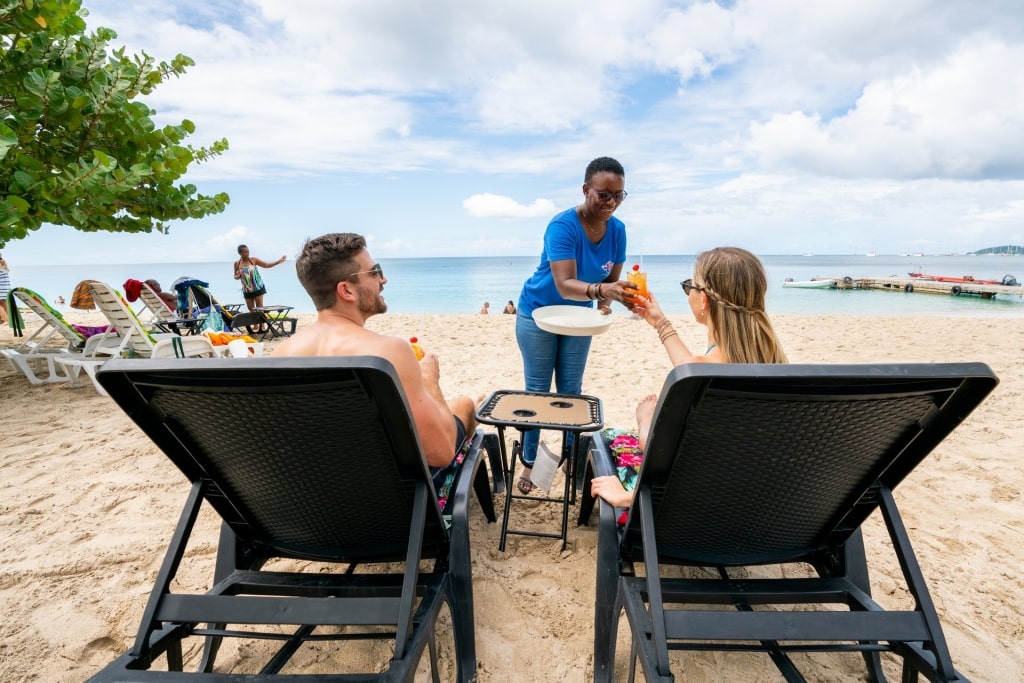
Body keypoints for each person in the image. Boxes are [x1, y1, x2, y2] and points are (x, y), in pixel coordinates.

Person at [273, 233, 481, 512]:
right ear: (346, 290)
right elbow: (441, 452)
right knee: (465, 405)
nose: (383, 280)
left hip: (320, 505)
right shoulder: (388, 351)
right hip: (393, 506)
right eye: (375, 272)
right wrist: (429, 379)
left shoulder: (282, 355)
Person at [590, 246, 788, 509]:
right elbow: (691, 365)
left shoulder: (699, 382)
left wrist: (645, 420)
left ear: (704, 300)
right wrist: (661, 323)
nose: (688, 293)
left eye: (689, 286)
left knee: (614, 436)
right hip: (757, 504)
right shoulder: (775, 365)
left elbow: (662, 454)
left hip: (693, 510)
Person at [514, 156, 637, 494]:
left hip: (578, 319)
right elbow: (564, 281)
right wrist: (600, 290)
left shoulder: (618, 230)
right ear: (586, 190)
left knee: (571, 393)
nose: (611, 202)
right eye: (604, 194)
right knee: (537, 394)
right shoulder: (563, 226)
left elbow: (611, 278)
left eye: (619, 195)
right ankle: (530, 464)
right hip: (538, 313)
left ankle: (567, 458)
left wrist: (611, 299)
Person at [233, 244, 287, 312]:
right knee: (251, 309)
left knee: (260, 308)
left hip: (257, 287)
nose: (247, 254)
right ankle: (255, 323)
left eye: (248, 252)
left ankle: (262, 323)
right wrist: (237, 276)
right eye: (245, 252)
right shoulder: (237, 263)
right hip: (247, 290)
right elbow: (235, 276)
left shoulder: (253, 260)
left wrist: (278, 262)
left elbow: (266, 265)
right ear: (240, 253)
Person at [0, 253, 10, 324]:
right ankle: (9, 320)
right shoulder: (2, 264)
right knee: (3, 304)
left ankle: (6, 320)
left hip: (1, 289)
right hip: (5, 289)